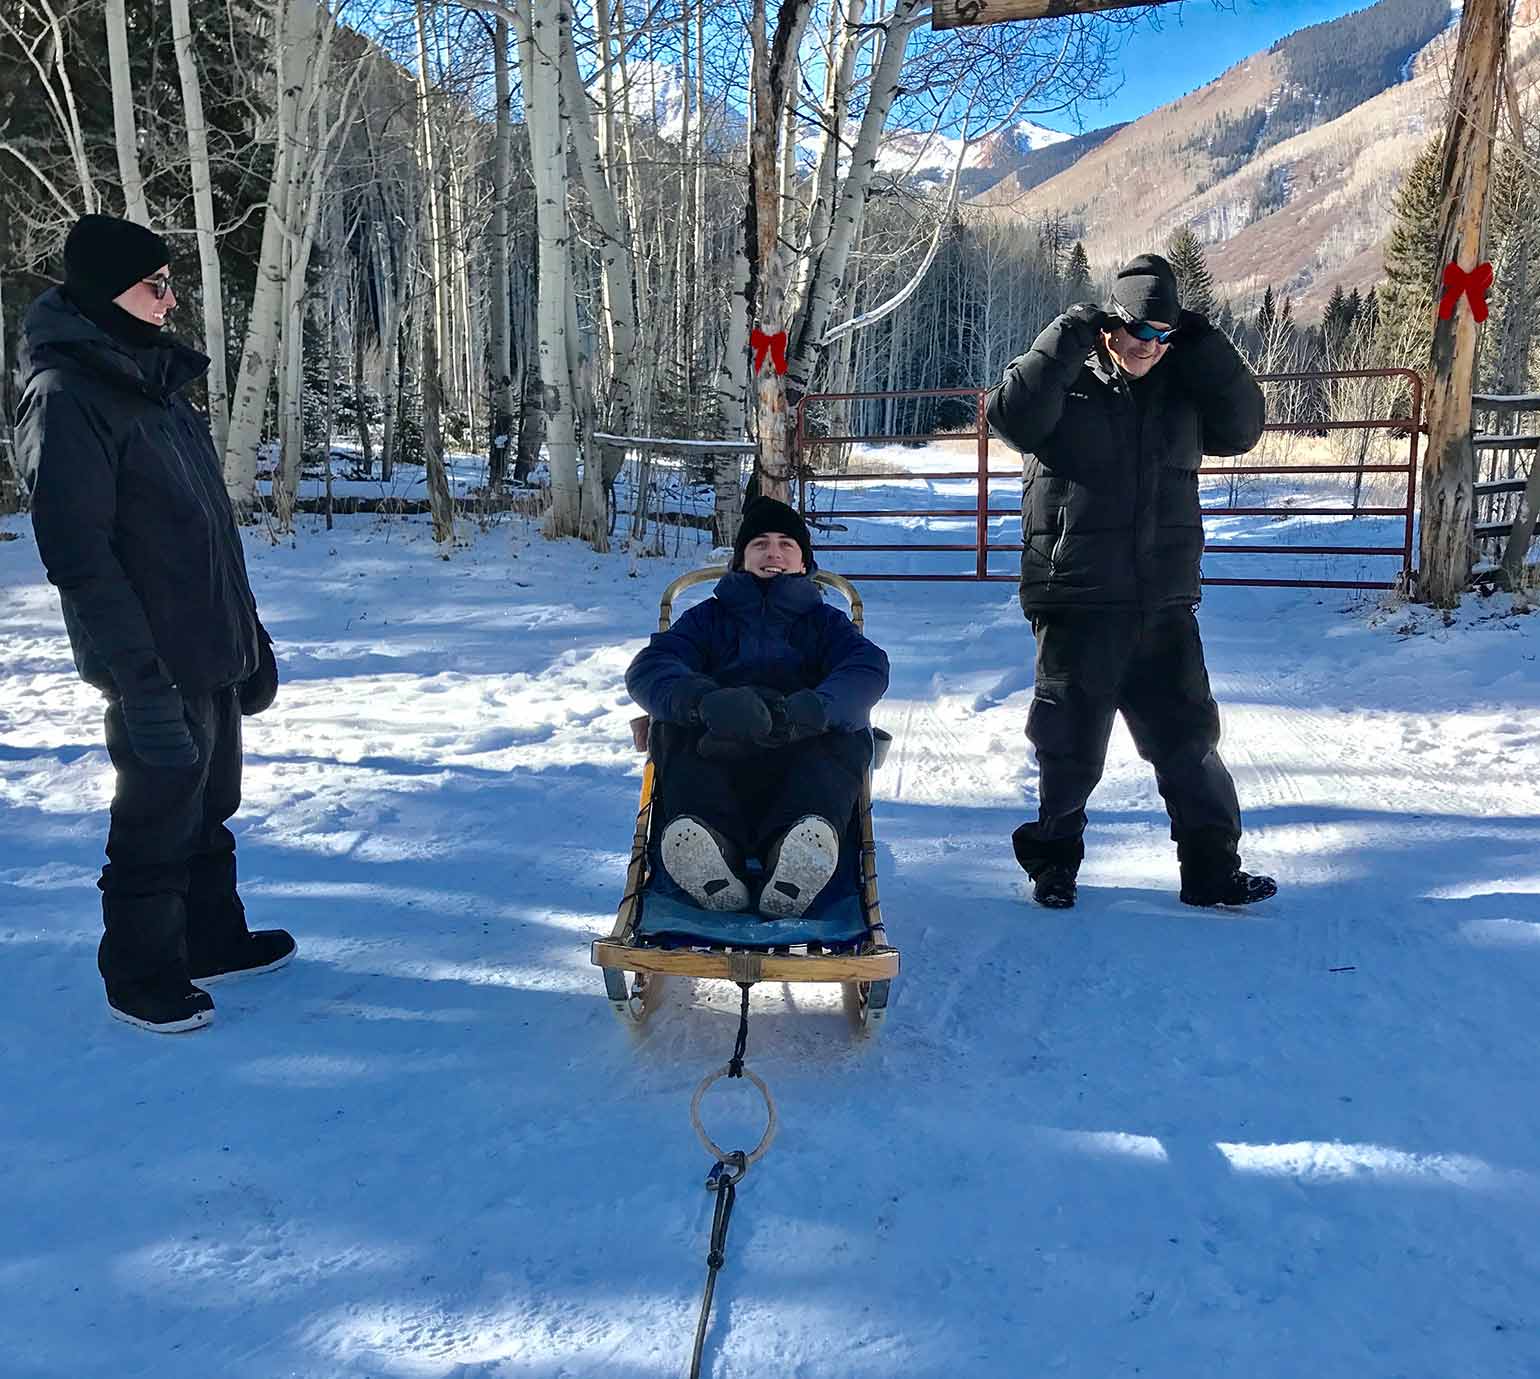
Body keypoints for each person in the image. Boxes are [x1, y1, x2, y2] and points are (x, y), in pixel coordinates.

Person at [17, 213, 294, 1034]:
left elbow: (210, 527)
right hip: (150, 658)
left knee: (212, 800)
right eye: (157, 285)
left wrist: (252, 637)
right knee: (155, 810)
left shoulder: (156, 384)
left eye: (172, 283)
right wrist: (138, 679)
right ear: (111, 292)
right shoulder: (67, 396)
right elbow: (79, 555)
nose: (172, 301)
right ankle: (139, 973)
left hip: (209, 640)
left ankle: (209, 938)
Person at [986, 252, 1277, 911]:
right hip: (1078, 598)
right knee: (1069, 748)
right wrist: (1063, 336)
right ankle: (1054, 864)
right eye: (1139, 331)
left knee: (1189, 745)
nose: (1150, 346)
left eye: (1164, 335)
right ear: (1110, 325)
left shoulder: (1183, 388)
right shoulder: (1068, 380)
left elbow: (1244, 427)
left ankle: (1210, 870)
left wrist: (1205, 344)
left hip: (1164, 601)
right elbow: (1010, 417)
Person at [625, 498, 889, 919]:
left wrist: (817, 708)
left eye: (787, 544)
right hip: (718, 747)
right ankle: (710, 852)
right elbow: (650, 668)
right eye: (760, 544)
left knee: (846, 734)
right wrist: (703, 702)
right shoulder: (707, 620)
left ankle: (796, 853)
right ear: (740, 559)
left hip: (800, 746)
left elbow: (866, 669)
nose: (773, 553)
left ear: (804, 563)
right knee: (671, 729)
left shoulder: (825, 624)